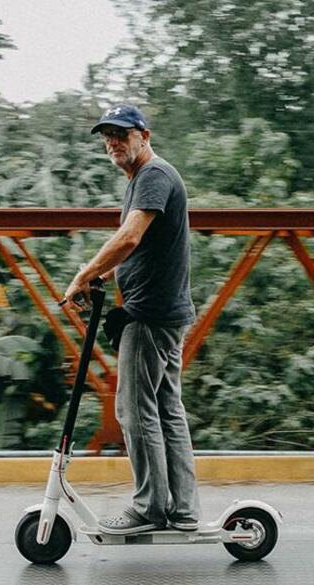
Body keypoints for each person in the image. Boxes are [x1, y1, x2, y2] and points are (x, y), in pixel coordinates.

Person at [62, 104, 200, 535]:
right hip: (165, 311)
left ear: (144, 134)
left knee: (133, 410)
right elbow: (138, 248)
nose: (113, 142)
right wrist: (100, 277)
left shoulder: (154, 176)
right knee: (165, 408)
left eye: (121, 133)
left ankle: (149, 507)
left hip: (151, 314)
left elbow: (130, 236)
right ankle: (182, 509)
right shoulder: (145, 179)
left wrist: (82, 275)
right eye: (107, 135)